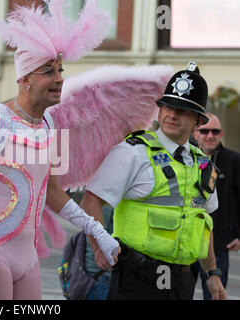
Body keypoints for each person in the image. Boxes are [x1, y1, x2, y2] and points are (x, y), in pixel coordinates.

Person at [0, 0, 120, 299]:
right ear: (25, 79)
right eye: (48, 71)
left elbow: (53, 192)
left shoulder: (52, 128)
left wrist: (96, 230)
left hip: (28, 259)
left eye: (60, 70)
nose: (60, 78)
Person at [80, 62, 228, 300]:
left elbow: (203, 224)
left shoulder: (203, 164)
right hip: (136, 277)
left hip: (182, 280)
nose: (172, 114)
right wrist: (98, 248)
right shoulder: (133, 151)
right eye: (168, 106)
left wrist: (212, 273)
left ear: (198, 122)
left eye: (182, 110)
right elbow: (90, 201)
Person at [191, 112, 240, 299]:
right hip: (185, 244)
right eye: (205, 131)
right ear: (195, 133)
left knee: (215, 296)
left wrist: (238, 233)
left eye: (215, 131)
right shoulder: (184, 158)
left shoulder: (234, 161)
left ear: (221, 133)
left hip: (218, 245)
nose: (210, 135)